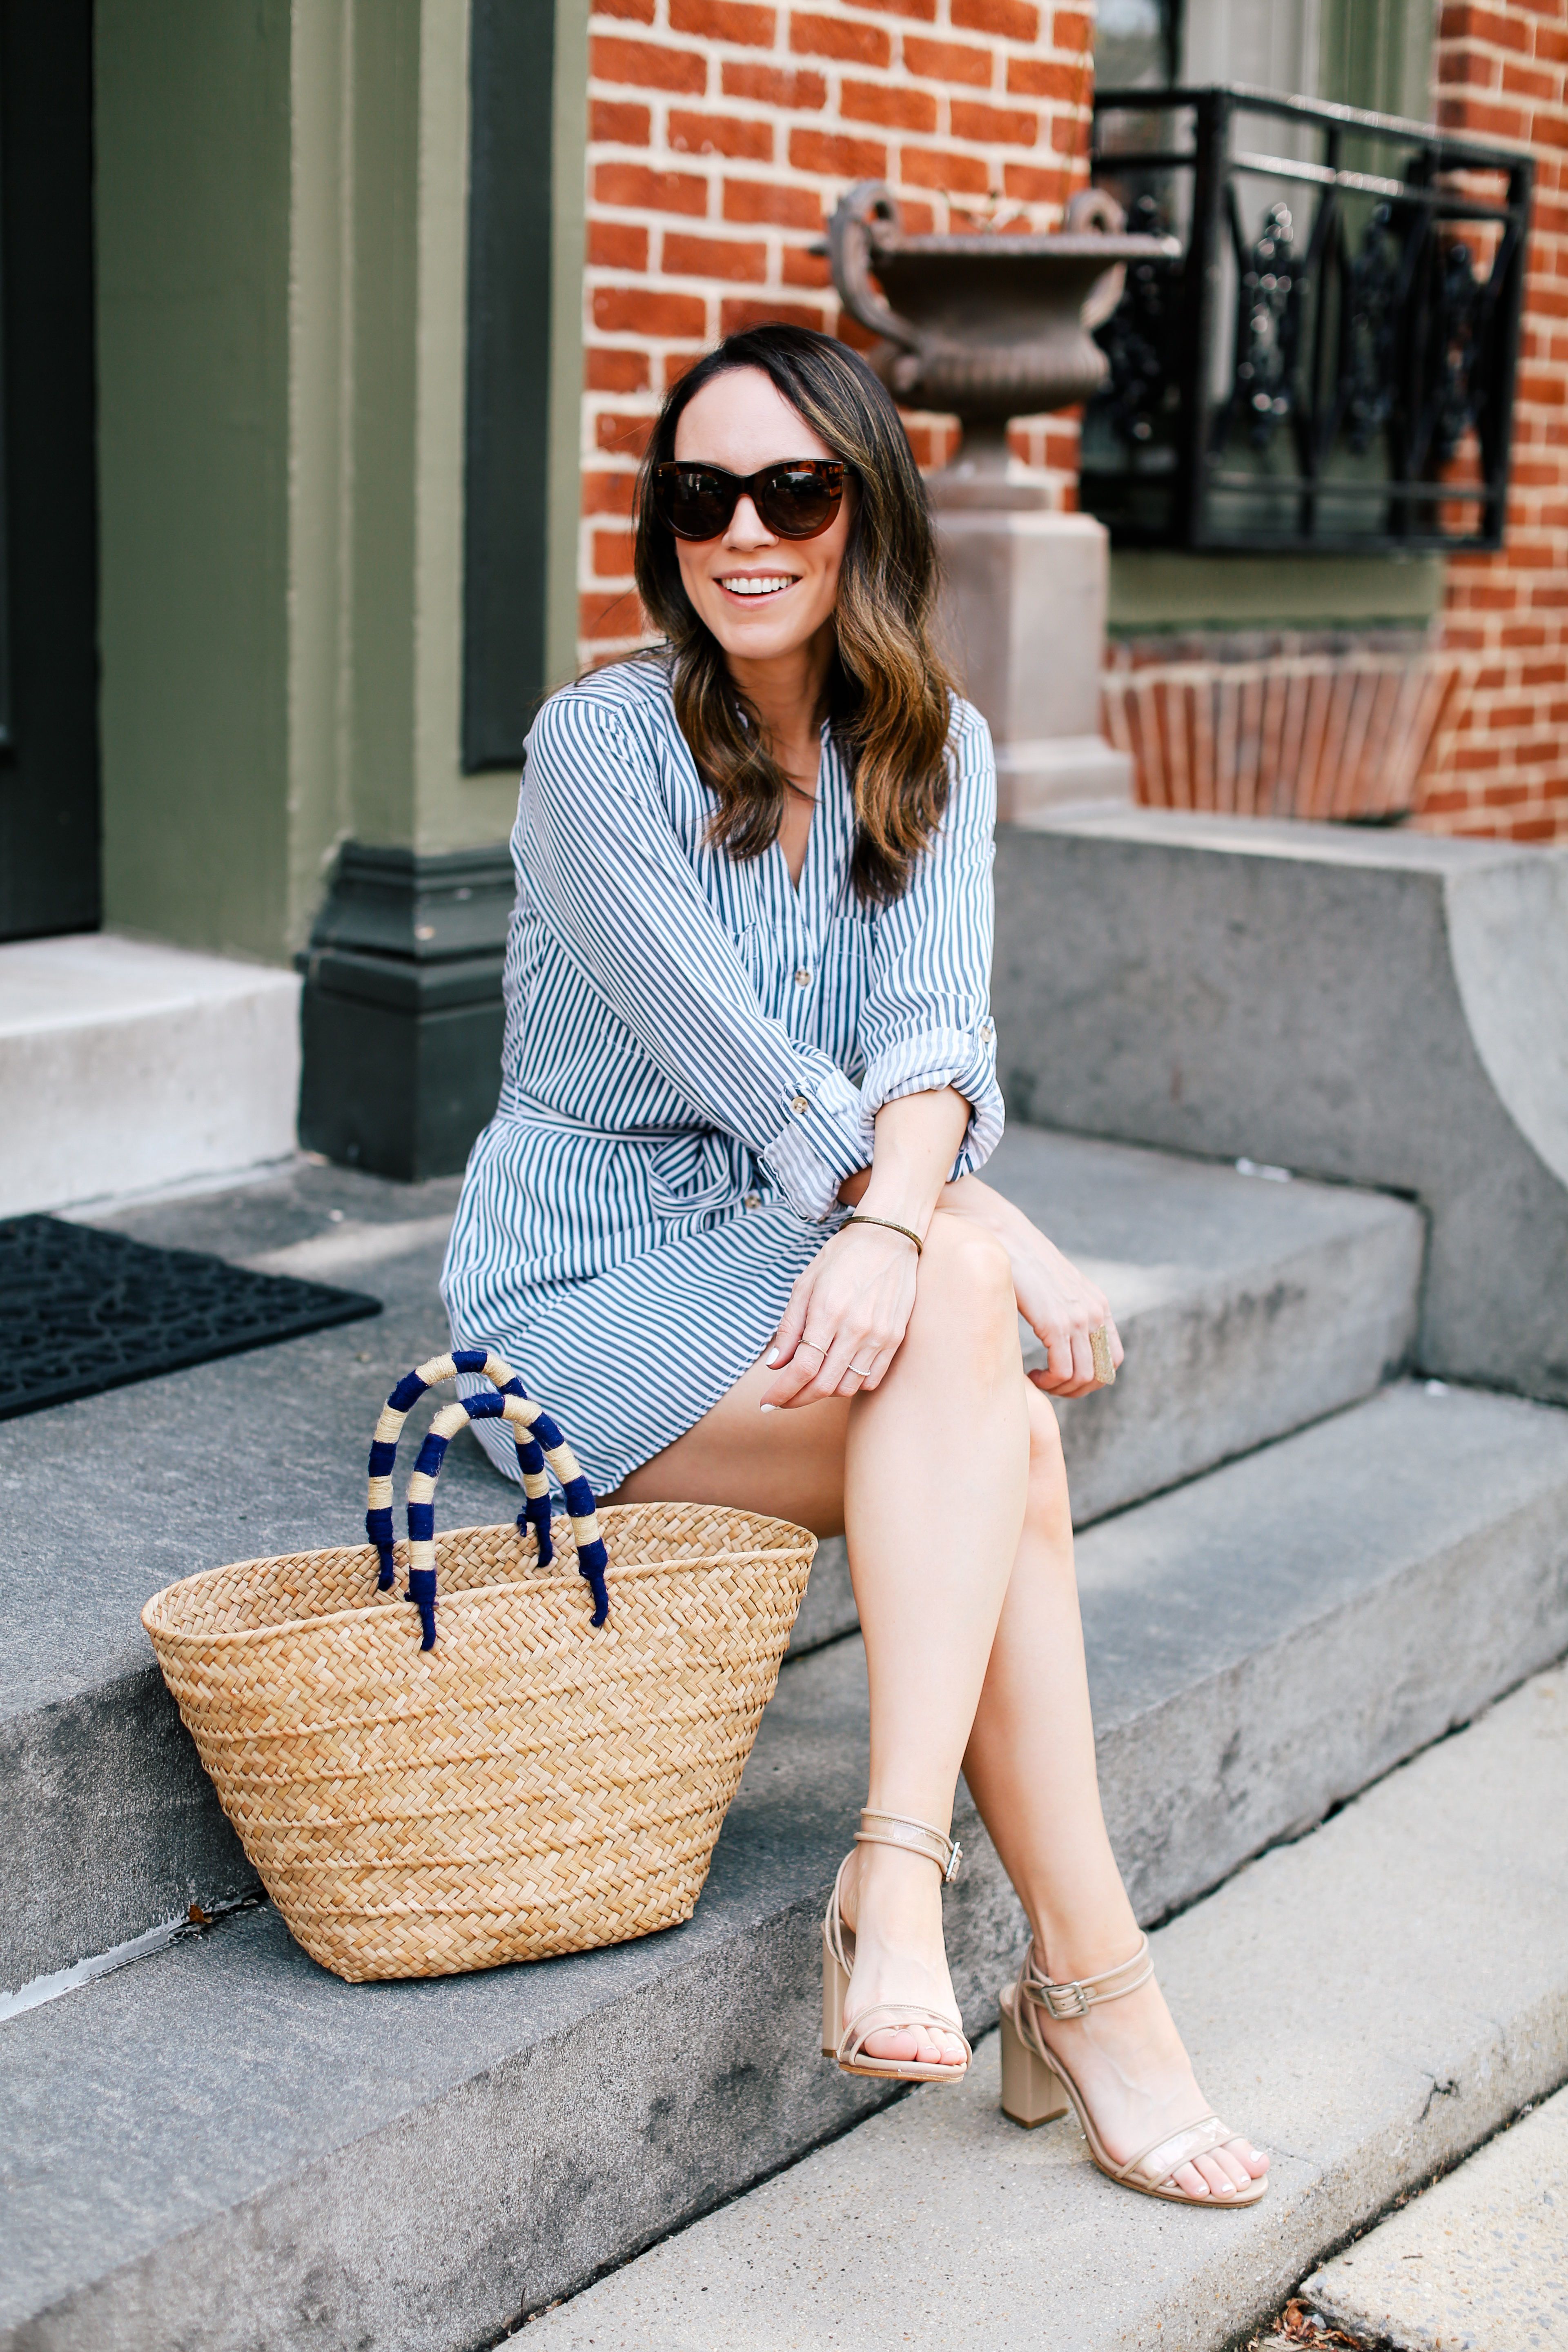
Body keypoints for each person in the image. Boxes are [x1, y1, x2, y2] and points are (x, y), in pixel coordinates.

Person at [442, 323, 1268, 2208]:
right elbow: (735, 1056)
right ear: (667, 525)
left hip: (808, 1255)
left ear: (862, 516)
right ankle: (1075, 1987)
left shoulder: (940, 750)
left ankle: (916, 1886)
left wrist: (925, 1212)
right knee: (1009, 1436)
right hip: (584, 1295)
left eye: (793, 491)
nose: (745, 530)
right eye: (703, 492)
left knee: (970, 1371)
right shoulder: (600, 744)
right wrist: (952, 1213)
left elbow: (932, 1048)